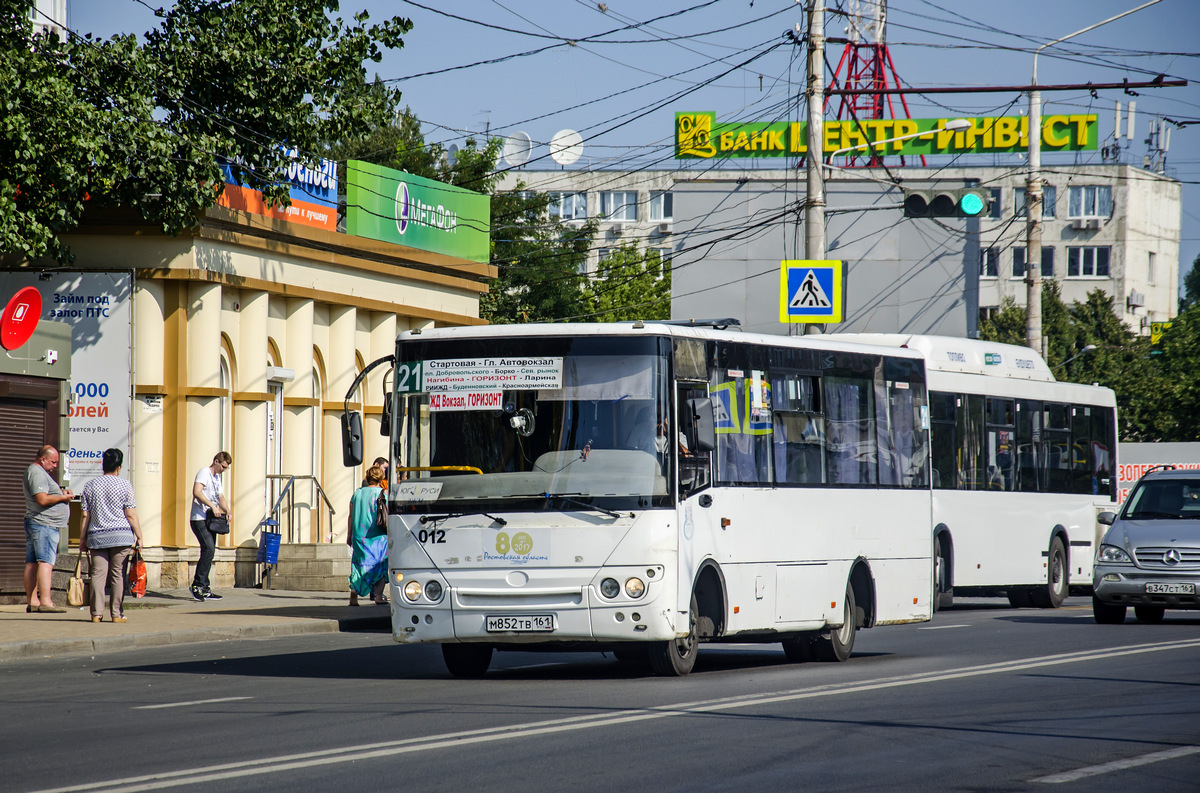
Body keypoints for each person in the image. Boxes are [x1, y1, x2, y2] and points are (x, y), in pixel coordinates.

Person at [79, 448, 143, 623]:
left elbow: (85, 515)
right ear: (119, 467)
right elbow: (130, 514)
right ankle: (116, 614)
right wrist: (139, 535)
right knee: (117, 575)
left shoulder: (90, 485)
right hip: (121, 537)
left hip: (97, 537)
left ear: (103, 465)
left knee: (98, 575)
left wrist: (82, 539)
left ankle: (96, 614)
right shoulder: (125, 485)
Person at [23, 445, 73, 613]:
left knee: (32, 563)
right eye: (53, 462)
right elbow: (42, 499)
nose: (55, 466)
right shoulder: (37, 473)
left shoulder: (38, 472)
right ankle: (45, 601)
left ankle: (33, 601)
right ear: (42, 459)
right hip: (44, 524)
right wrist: (63, 497)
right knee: (45, 562)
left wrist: (60, 493)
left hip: (38, 522)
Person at [190, 451, 231, 602]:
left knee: (209, 550)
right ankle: (197, 585)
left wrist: (228, 510)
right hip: (199, 518)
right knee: (209, 548)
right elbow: (197, 492)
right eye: (223, 466)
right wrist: (212, 506)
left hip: (210, 520)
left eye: (226, 468)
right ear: (216, 461)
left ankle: (205, 587)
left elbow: (220, 497)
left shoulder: (217, 478)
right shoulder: (204, 473)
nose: (224, 470)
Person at [347, 464, 389, 606]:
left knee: (358, 565)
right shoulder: (383, 494)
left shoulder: (357, 493)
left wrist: (349, 534)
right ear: (381, 478)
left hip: (359, 535)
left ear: (367, 477)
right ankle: (378, 595)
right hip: (378, 536)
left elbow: (350, 516)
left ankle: (353, 594)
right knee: (380, 566)